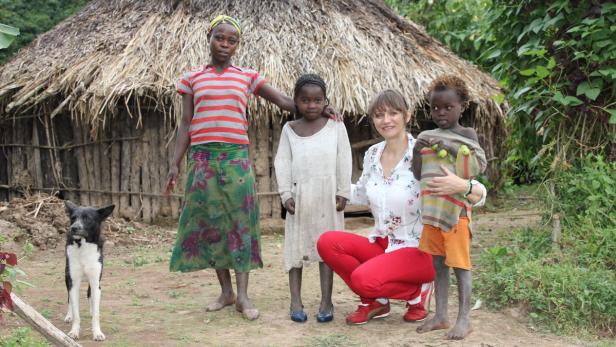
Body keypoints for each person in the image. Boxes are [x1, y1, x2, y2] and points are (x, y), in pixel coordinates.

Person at [164, 15, 335, 321]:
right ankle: (226, 292)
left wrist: (322, 107)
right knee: (213, 224)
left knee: (239, 223)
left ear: (237, 45)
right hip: (202, 159)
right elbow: (186, 123)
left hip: (235, 158)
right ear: (210, 38)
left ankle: (243, 296)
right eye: (220, 38)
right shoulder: (191, 79)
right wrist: (175, 163)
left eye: (232, 40)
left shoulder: (247, 77)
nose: (225, 45)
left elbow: (284, 101)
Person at [412, 75, 487, 340]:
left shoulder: (467, 135)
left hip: (456, 213)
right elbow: (417, 173)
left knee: (460, 266)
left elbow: (478, 166)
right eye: (435, 108)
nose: (440, 113)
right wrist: (417, 152)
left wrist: (452, 149)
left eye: (447, 107)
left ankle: (464, 319)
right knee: (438, 264)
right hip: (432, 213)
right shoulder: (425, 135)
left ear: (462, 106)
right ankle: (441, 315)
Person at [274, 74, 352, 323]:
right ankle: (295, 300)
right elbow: (282, 162)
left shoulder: (336, 126)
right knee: (295, 249)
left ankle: (326, 300)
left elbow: (344, 158)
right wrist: (285, 194)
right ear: (295, 101)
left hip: (328, 197)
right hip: (300, 198)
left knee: (327, 250)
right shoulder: (290, 130)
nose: (311, 105)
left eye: (317, 100)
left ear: (325, 101)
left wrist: (343, 191)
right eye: (305, 100)